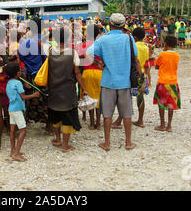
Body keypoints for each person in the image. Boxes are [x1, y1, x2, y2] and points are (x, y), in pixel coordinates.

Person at [87, 13, 140, 151]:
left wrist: (98, 62)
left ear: (109, 25)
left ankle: (107, 143)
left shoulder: (102, 40)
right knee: (127, 113)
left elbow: (88, 54)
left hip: (108, 82)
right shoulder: (129, 39)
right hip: (125, 82)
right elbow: (135, 57)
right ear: (123, 25)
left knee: (107, 114)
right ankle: (128, 143)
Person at [48, 26, 86, 153]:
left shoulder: (51, 52)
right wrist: (83, 88)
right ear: (68, 38)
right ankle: (65, 146)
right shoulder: (72, 53)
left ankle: (58, 139)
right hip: (68, 90)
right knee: (67, 118)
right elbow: (77, 73)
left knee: (56, 116)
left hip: (54, 90)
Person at [6, 61, 40, 162]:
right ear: (17, 73)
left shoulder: (9, 83)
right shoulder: (18, 83)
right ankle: (16, 153)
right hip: (17, 110)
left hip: (11, 109)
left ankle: (13, 151)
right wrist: (34, 95)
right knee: (23, 130)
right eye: (20, 71)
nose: (21, 72)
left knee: (12, 130)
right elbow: (23, 97)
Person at [153, 35, 180, 132]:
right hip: (173, 82)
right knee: (171, 104)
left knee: (161, 103)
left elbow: (157, 66)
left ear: (165, 44)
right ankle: (169, 125)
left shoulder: (162, 54)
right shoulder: (177, 55)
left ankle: (162, 124)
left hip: (162, 82)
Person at [79, 24, 103, 130]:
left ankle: (92, 123)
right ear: (98, 33)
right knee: (99, 98)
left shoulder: (83, 45)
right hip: (100, 73)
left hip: (87, 72)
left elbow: (78, 58)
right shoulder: (101, 45)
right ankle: (99, 123)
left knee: (90, 98)